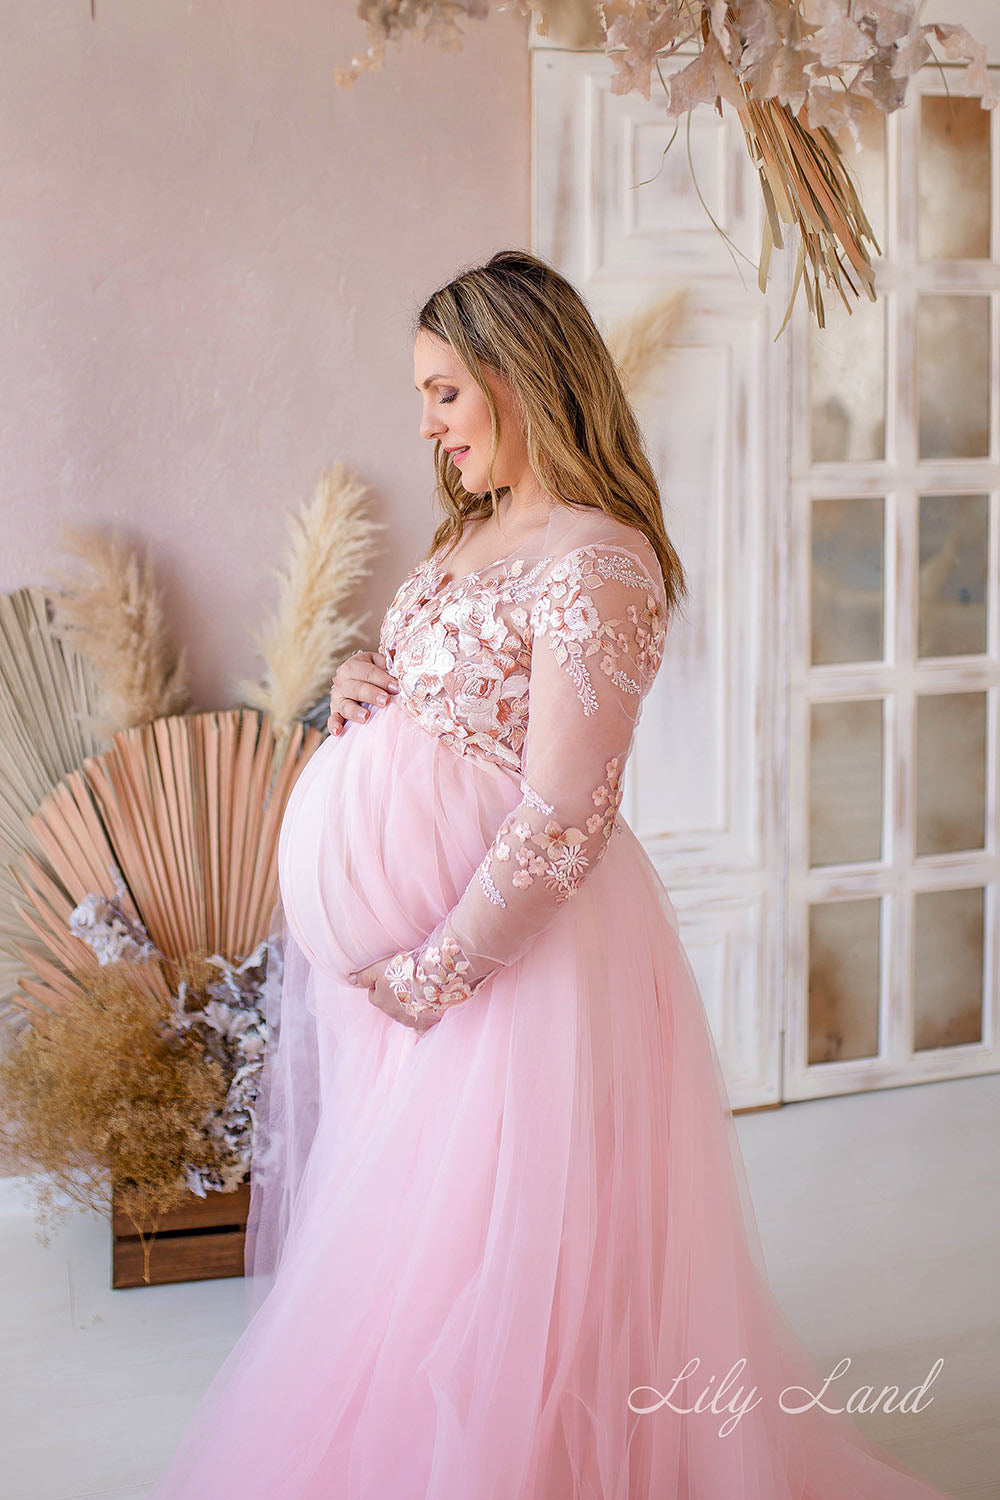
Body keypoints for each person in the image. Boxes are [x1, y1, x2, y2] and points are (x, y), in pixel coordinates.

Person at [147, 250, 956, 1498]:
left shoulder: (599, 560)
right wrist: (362, 691)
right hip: (412, 978)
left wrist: (442, 967)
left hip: (510, 962)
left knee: (505, 1238)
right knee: (423, 1244)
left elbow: (569, 806)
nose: (425, 425)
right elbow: (455, 714)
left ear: (520, 378)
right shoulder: (471, 534)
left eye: (445, 394)